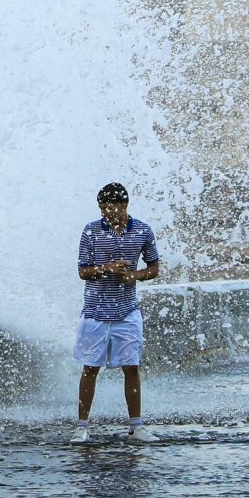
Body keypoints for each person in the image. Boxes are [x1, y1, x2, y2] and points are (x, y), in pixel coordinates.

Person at [74, 182, 161, 442]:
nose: (104, 212)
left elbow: (154, 268)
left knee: (131, 367)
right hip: (94, 312)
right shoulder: (90, 231)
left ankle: (136, 426)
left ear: (123, 205)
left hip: (127, 312)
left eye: (108, 207)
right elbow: (82, 271)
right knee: (90, 368)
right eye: (101, 207)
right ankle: (82, 427)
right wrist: (107, 268)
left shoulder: (143, 231)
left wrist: (135, 275)